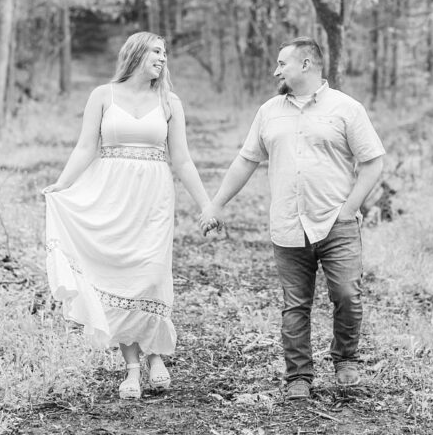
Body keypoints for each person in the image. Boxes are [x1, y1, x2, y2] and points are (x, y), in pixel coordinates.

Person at [198, 37, 384, 400]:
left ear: (307, 64)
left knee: (347, 294)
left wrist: (348, 209)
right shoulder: (269, 111)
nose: (276, 70)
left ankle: (345, 359)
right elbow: (246, 161)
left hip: (336, 222)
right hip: (287, 224)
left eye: (282, 63)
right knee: (295, 304)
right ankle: (298, 376)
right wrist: (216, 204)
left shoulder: (346, 108)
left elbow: (373, 161)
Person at [44, 31, 214, 399]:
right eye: (156, 50)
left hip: (153, 197)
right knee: (119, 275)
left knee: (151, 275)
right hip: (111, 194)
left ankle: (157, 357)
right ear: (135, 53)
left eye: (165, 52)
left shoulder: (170, 102)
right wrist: (61, 184)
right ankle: (133, 368)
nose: (162, 57)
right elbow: (86, 147)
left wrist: (206, 204)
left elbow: (182, 160)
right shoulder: (102, 96)